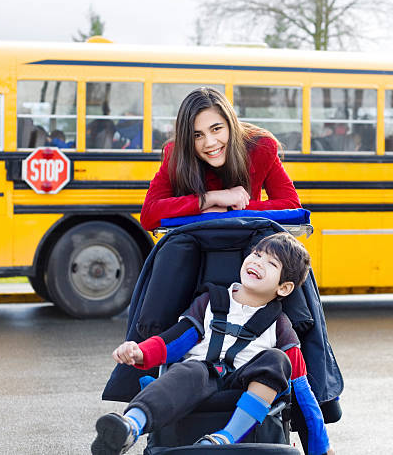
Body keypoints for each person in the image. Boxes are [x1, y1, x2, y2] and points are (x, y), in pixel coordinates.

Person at [91, 232, 333, 455]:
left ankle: (225, 438)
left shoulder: (280, 326)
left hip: (247, 385)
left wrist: (322, 449)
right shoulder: (210, 302)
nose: (258, 262)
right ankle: (130, 426)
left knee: (277, 360)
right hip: (198, 377)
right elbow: (173, 341)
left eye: (271, 263)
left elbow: (303, 393)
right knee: (190, 368)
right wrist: (139, 351)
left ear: (284, 287)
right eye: (257, 254)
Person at [140, 88, 301, 231]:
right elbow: (149, 215)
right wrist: (210, 198)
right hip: (195, 247)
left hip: (247, 247)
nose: (210, 143)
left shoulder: (260, 147)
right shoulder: (177, 154)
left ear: (231, 125)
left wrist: (230, 210)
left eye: (216, 129)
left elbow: (292, 207)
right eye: (197, 135)